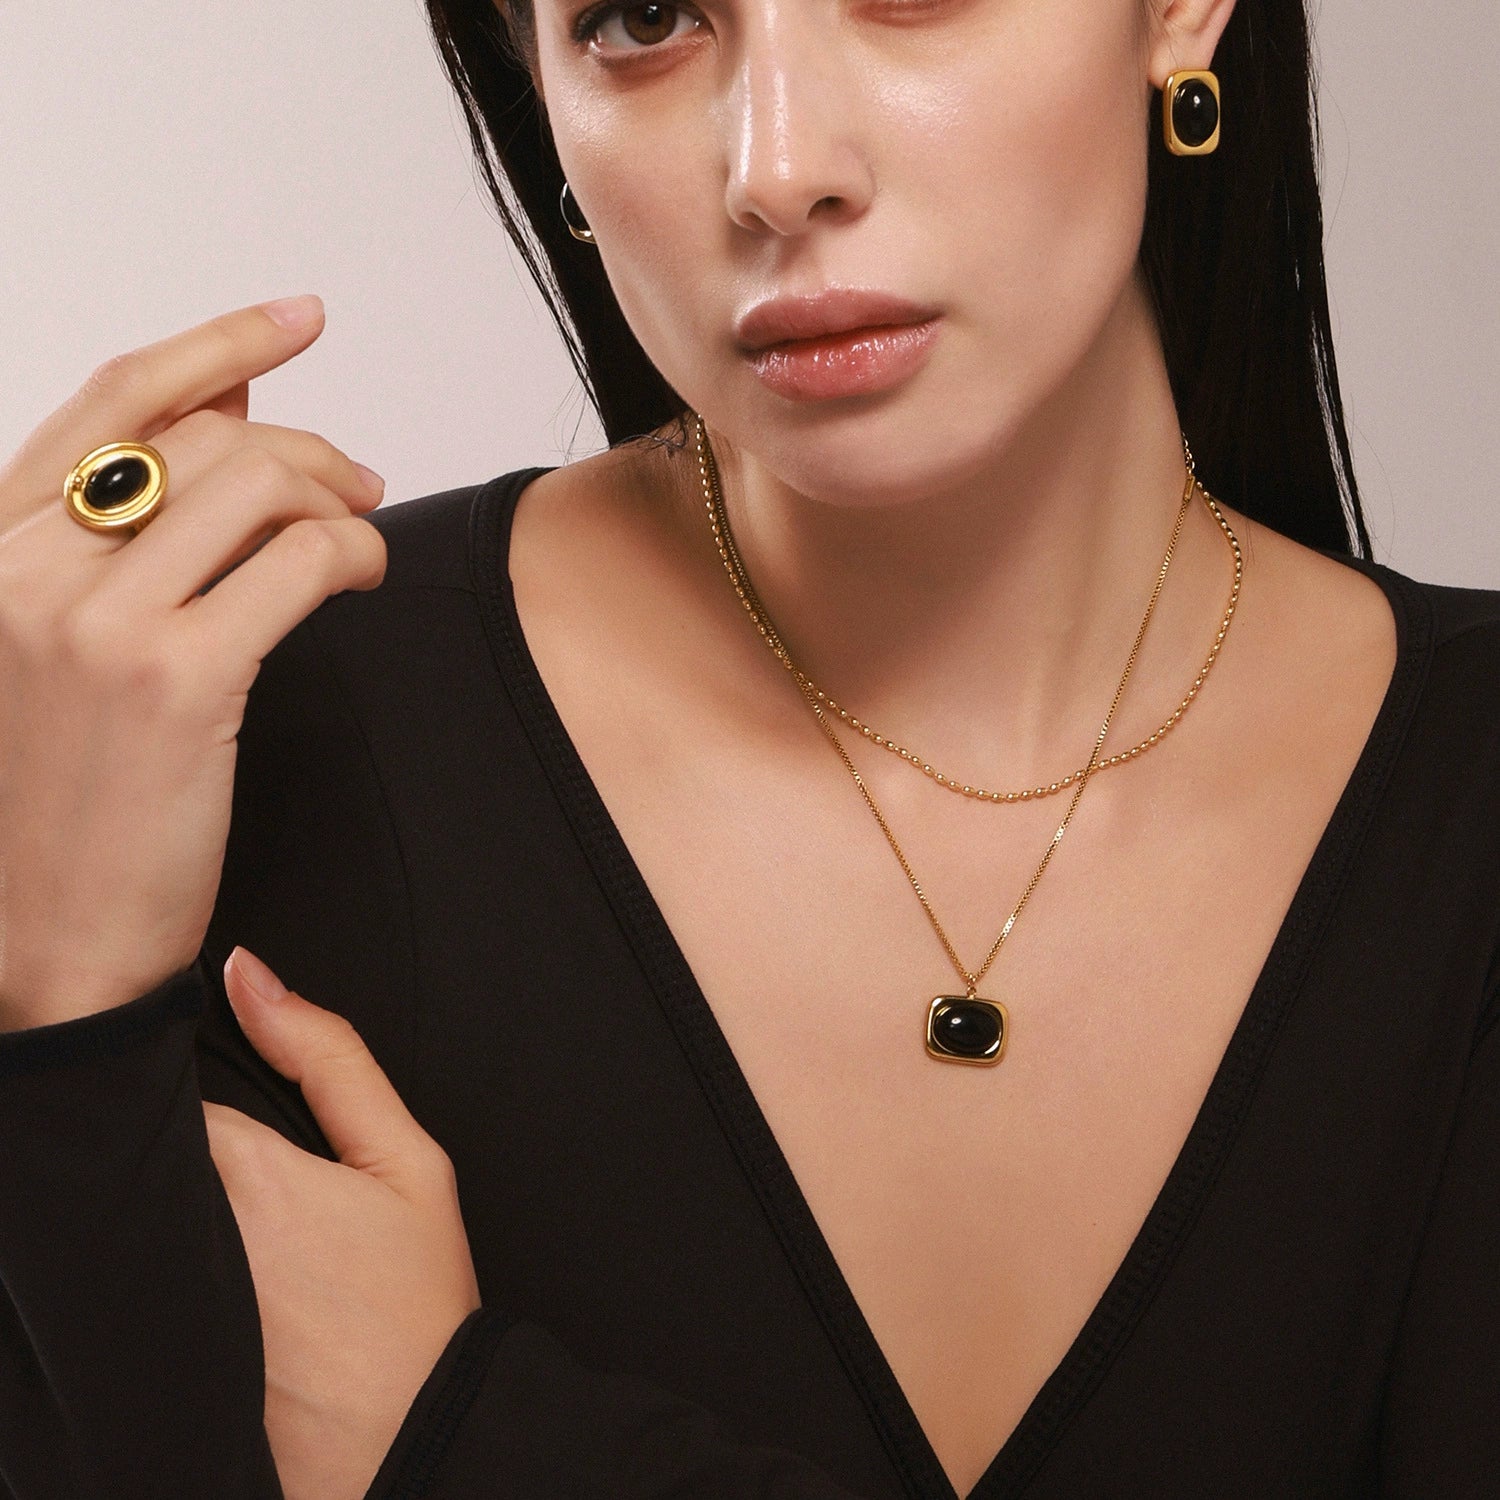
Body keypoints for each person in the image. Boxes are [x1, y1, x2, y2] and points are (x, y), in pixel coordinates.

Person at [0, 0, 1495, 1494]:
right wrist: (54, 1012)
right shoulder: (217, 750)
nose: (778, 169)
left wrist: (462, 1445)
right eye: (642, 17)